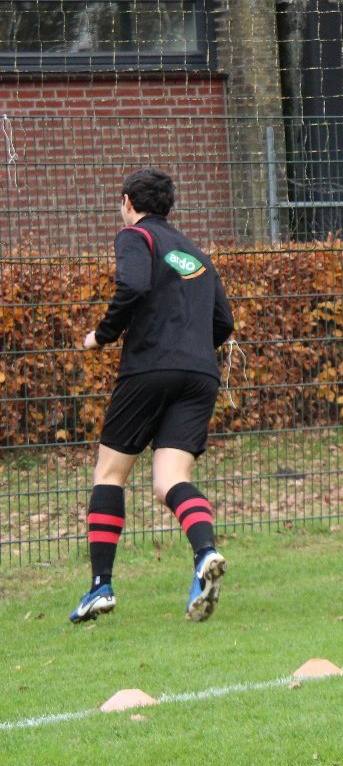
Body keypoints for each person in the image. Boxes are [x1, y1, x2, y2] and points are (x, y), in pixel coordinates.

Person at [70, 168, 235, 624]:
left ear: (127, 202)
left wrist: (102, 335)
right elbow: (224, 323)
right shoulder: (195, 253)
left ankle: (100, 586)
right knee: (169, 480)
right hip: (200, 374)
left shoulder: (134, 236)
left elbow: (134, 286)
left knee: (109, 473)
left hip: (149, 369)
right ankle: (205, 552)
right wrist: (189, 348)